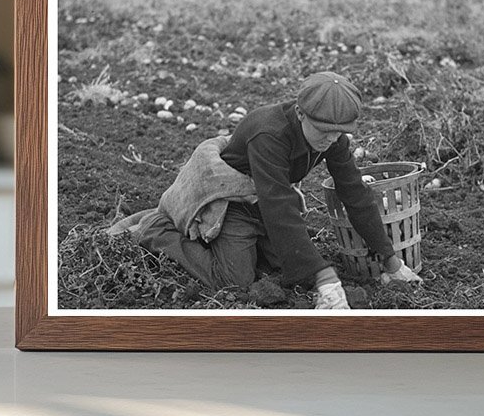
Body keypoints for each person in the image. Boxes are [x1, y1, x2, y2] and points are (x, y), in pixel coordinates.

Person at [130, 71, 421, 309]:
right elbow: (279, 206)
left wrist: (390, 260)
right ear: (300, 113)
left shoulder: (332, 138)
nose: (331, 140)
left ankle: (249, 245)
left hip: (263, 198)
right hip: (233, 200)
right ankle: (156, 231)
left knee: (287, 268)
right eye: (324, 131)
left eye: (339, 133)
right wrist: (324, 276)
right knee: (235, 281)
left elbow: (354, 192)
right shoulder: (269, 134)